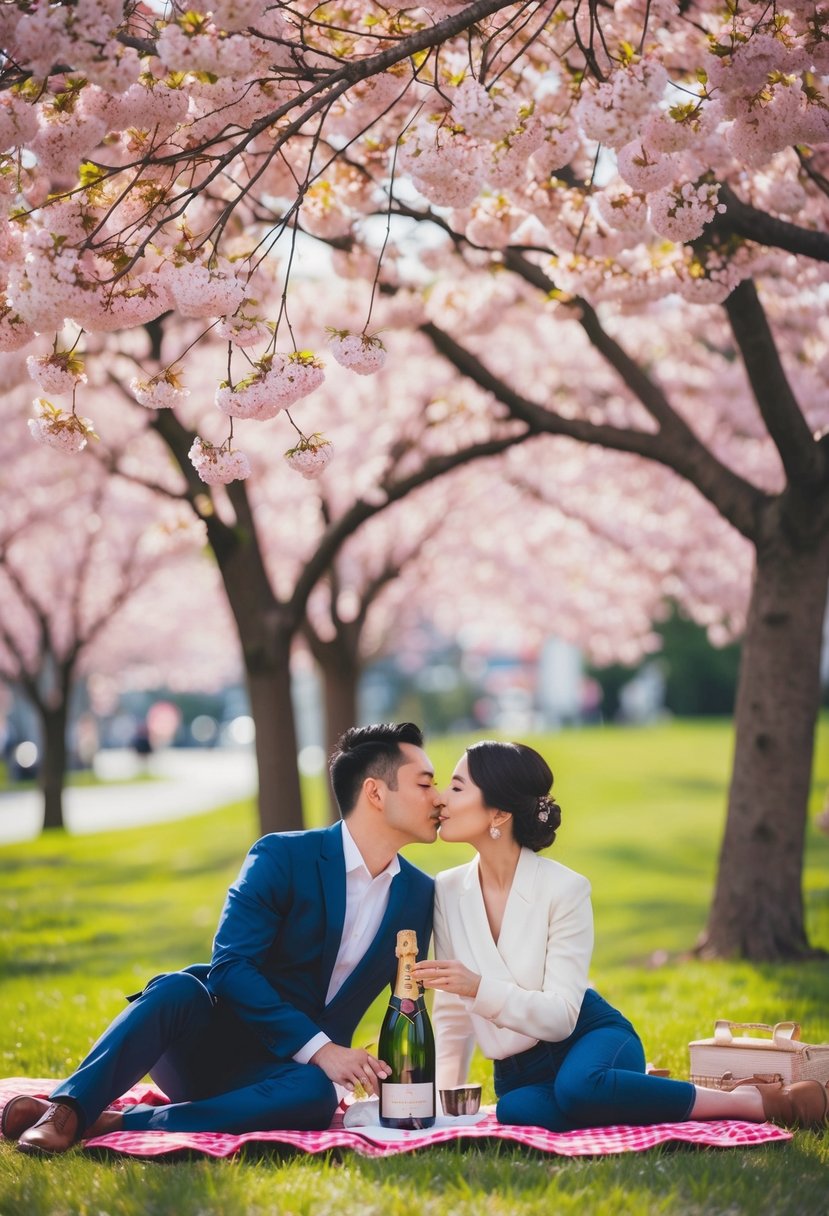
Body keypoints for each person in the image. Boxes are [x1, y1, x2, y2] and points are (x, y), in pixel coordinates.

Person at [3, 722, 443, 1155]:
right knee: (176, 988)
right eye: (425, 784)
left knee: (315, 1095)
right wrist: (324, 1049)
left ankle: (112, 1120)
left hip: (289, 1081)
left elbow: (408, 1004)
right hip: (206, 1049)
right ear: (375, 793)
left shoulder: (419, 893)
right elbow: (230, 966)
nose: (438, 798)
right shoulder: (283, 856)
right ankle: (65, 1110)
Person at [414, 740, 829, 1133]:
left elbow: (560, 1017)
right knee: (515, 1111)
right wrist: (440, 1105)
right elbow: (452, 1007)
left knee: (579, 1088)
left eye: (456, 786)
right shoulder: (448, 891)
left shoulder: (564, 889)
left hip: (591, 1036)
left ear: (499, 814)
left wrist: (479, 987)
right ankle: (634, 1092)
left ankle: (753, 1101)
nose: (441, 798)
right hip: (517, 1074)